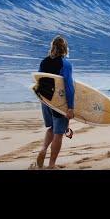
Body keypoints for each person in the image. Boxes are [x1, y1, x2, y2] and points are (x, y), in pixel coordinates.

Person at [35, 35, 75, 169]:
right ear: (65, 49)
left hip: (45, 100)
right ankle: (51, 164)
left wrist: (43, 100)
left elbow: (38, 81)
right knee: (59, 133)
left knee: (51, 128)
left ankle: (43, 149)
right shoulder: (65, 64)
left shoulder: (44, 62)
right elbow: (69, 87)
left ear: (52, 47)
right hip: (59, 103)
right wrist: (70, 108)